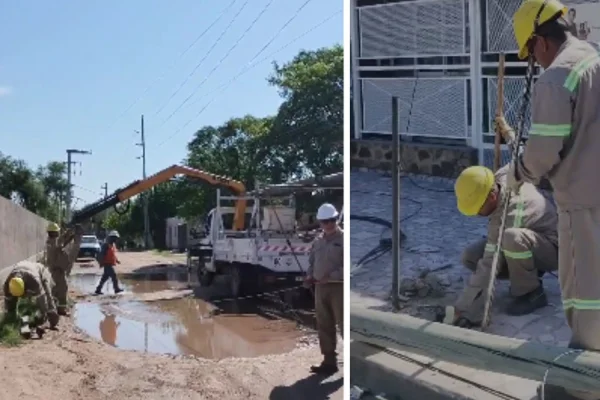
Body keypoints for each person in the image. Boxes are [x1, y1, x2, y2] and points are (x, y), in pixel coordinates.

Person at [496, 1, 600, 398]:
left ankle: (584, 384)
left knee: (585, 296)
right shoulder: (591, 59)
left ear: (539, 41)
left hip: (583, 203)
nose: (534, 62)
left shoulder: (558, 77)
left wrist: (518, 173)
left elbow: (543, 152)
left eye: (530, 54)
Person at [443, 165, 559, 327]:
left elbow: (490, 263)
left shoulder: (510, 215)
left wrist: (464, 308)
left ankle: (531, 292)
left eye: (478, 208)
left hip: (553, 250)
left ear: (491, 197)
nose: (477, 214)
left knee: (512, 238)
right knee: (470, 257)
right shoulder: (497, 180)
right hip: (530, 238)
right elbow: (515, 161)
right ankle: (526, 270)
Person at [304, 203, 343, 375]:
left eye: (332, 220)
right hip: (320, 288)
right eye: (325, 221)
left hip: (339, 289)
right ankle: (329, 362)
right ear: (320, 223)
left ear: (336, 220)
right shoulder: (317, 241)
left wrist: (332, 276)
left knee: (344, 325)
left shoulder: (344, 240)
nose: (329, 224)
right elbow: (312, 261)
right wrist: (309, 276)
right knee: (324, 324)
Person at [3, 261, 60, 330]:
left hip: (40, 272)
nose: (22, 297)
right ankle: (17, 322)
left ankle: (53, 322)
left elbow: (42, 299)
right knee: (12, 304)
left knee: (48, 297)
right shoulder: (7, 285)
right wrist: (10, 318)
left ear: (25, 287)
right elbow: (8, 304)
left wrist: (43, 316)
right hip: (22, 268)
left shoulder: (34, 281)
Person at [44, 222, 83, 316]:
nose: (58, 233)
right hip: (57, 269)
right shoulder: (52, 243)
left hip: (56, 269)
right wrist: (70, 236)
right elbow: (60, 244)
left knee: (56, 289)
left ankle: (54, 307)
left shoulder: (51, 241)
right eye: (57, 232)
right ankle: (60, 309)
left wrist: (68, 235)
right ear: (54, 233)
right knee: (62, 288)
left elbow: (61, 242)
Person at [95, 230, 124, 295]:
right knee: (114, 276)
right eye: (115, 238)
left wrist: (116, 260)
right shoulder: (105, 245)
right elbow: (102, 254)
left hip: (109, 263)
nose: (116, 239)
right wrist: (101, 263)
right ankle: (116, 289)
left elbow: (112, 254)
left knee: (105, 277)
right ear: (111, 237)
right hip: (107, 264)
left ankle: (98, 289)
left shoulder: (112, 245)